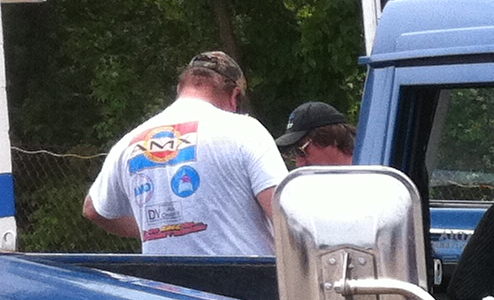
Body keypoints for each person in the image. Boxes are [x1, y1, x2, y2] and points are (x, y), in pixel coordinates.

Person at [83, 51, 287, 256]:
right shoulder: (244, 130)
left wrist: (160, 229)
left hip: (162, 286)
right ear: (234, 96)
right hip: (242, 283)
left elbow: (94, 209)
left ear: (181, 88)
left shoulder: (130, 142)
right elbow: (284, 215)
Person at [278, 101, 356, 168]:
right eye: (293, 153)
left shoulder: (366, 173)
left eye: (301, 151)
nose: (298, 163)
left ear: (333, 138)